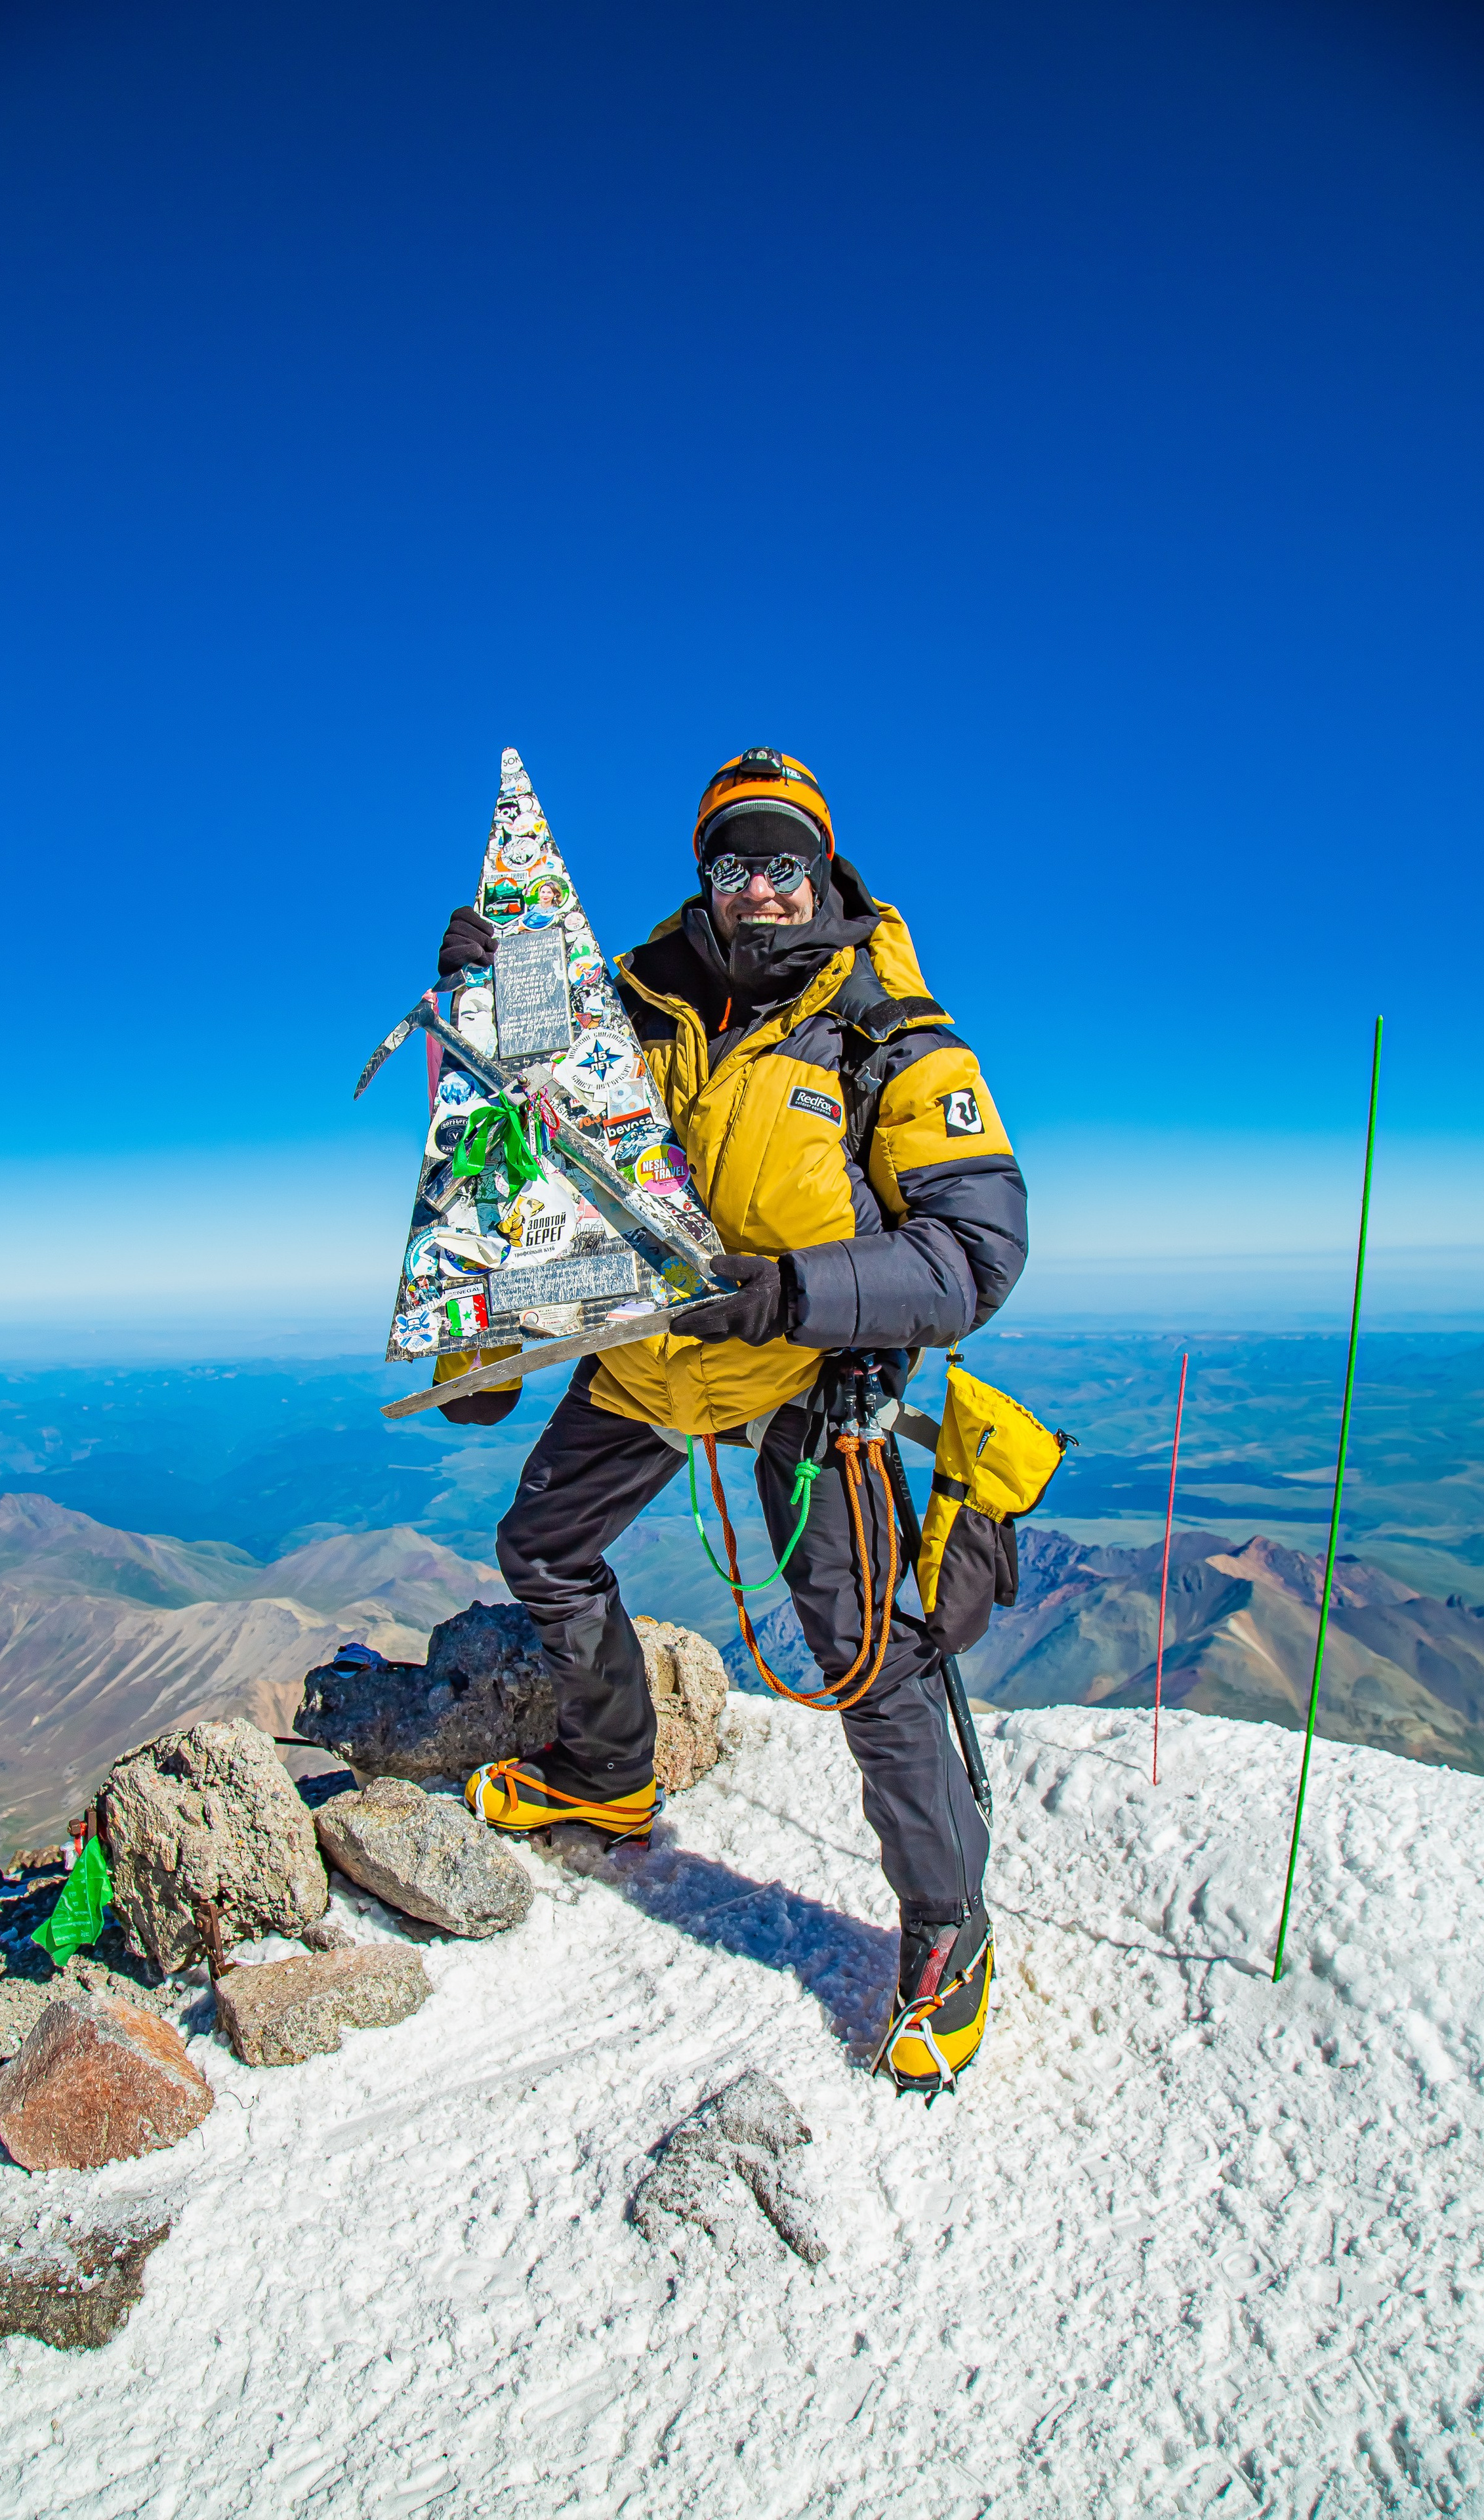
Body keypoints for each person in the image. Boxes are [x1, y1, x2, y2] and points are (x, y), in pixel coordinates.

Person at [439, 748, 1028, 2091]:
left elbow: (973, 1254)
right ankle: (606, 1773)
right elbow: (549, 1169)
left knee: (868, 1659)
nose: (758, 888)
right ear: (703, 873)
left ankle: (947, 1924)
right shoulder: (625, 1002)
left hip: (805, 1381)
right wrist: (499, 994)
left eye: (784, 862)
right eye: (731, 861)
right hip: (651, 1363)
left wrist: (789, 1298)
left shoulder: (885, 1027)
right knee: (544, 1545)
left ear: (821, 874)